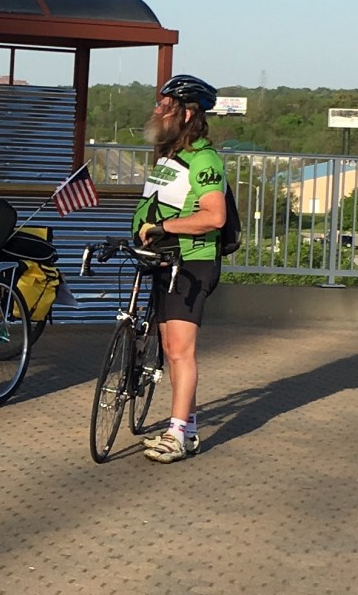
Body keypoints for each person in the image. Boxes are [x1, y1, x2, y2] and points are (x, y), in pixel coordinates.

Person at [131, 75, 226, 463]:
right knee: (171, 349)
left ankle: (175, 435)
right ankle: (187, 429)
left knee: (182, 352)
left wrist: (164, 228)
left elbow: (214, 216)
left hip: (192, 262)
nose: (158, 110)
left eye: (165, 106)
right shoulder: (168, 155)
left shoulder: (203, 159)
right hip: (163, 260)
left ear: (187, 114)